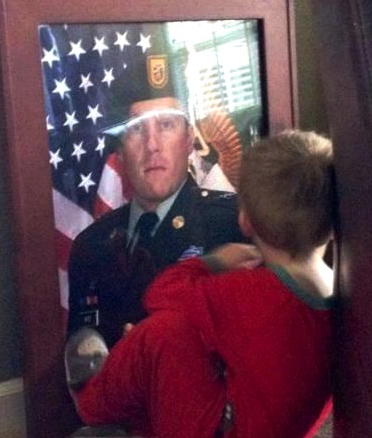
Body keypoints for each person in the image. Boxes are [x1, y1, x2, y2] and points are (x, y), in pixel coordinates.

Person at [65, 130, 337, 438]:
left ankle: (93, 401)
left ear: (245, 221)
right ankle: (147, 432)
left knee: (161, 332)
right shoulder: (342, 294)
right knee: (197, 337)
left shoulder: (249, 291)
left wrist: (213, 262)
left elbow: (160, 294)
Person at [65, 47, 244, 378]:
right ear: (119, 149)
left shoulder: (232, 226)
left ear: (190, 139)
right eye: (136, 129)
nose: (152, 145)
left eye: (166, 125)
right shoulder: (91, 246)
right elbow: (83, 357)